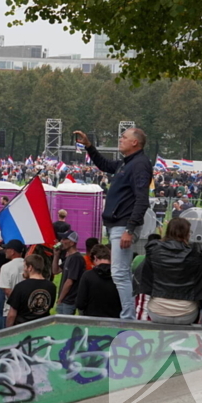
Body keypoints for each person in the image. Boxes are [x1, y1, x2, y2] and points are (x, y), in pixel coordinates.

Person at [75, 128, 153, 320]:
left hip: (123, 224)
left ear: (135, 142)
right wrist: (89, 147)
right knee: (119, 272)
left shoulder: (140, 165)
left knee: (119, 273)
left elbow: (142, 199)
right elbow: (105, 165)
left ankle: (128, 317)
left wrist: (130, 228)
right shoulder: (127, 163)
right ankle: (127, 312)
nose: (120, 140)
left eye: (124, 137)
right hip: (117, 223)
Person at [137, 218, 202, 325]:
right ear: (187, 233)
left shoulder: (153, 251)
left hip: (157, 311)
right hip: (187, 313)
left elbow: (141, 278)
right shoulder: (195, 253)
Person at [6, 254, 56, 326]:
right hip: (43, 326)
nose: (24, 269)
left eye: (25, 266)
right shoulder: (52, 287)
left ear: (30, 267)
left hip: (23, 328)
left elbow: (12, 314)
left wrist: (8, 331)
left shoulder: (20, 287)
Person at [75, 244, 122, 318]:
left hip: (92, 321)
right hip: (114, 322)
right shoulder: (119, 276)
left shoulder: (87, 276)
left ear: (95, 258)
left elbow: (80, 303)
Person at [55, 232, 86, 315]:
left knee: (65, 326)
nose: (61, 241)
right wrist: (56, 255)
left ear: (72, 243)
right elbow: (55, 271)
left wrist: (60, 299)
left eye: (65, 239)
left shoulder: (76, 258)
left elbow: (69, 282)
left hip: (69, 300)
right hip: (64, 300)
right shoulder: (69, 257)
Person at [0, 239, 26, 323]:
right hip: (26, 308)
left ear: (13, 251)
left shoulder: (6, 267)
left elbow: (7, 290)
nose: (5, 251)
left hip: (10, 309)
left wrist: (17, 305)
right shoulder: (28, 264)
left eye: (7, 249)